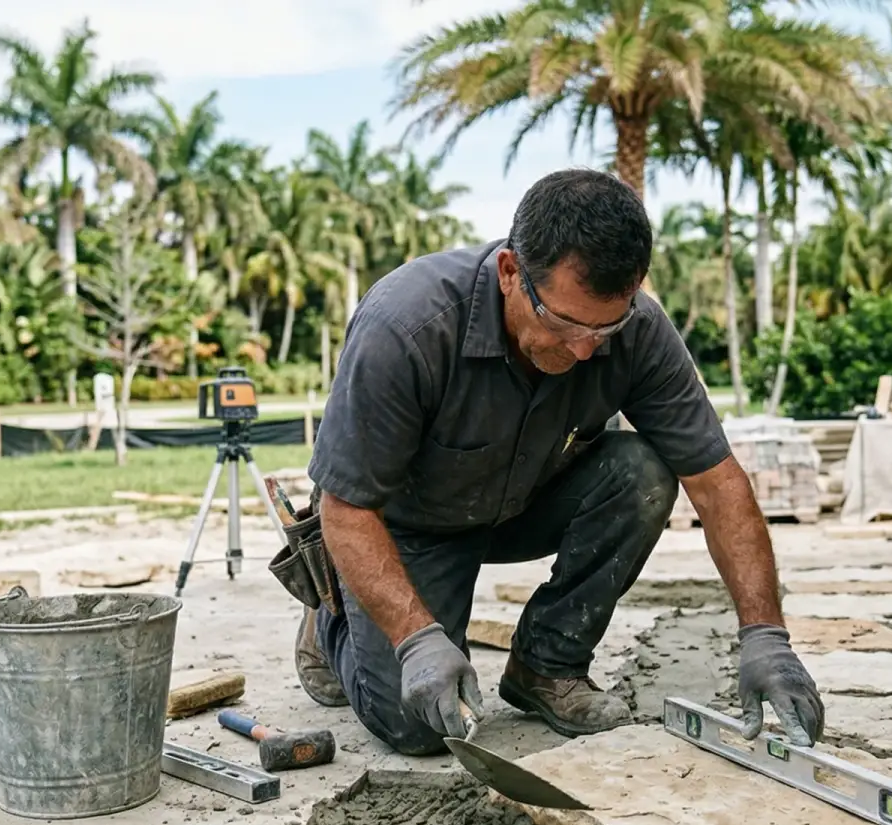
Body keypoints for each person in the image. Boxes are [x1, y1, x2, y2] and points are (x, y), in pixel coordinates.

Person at [293, 168, 824, 756]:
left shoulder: (637, 331)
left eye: (606, 327)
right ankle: (332, 619)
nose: (584, 349)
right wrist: (417, 640)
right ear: (510, 272)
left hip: (522, 503)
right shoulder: (407, 327)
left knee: (644, 475)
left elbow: (718, 484)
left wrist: (766, 635)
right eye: (564, 323)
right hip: (404, 524)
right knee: (419, 724)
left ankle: (546, 665)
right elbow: (347, 508)